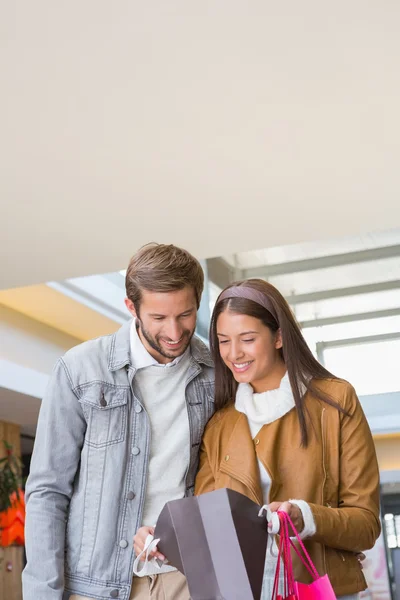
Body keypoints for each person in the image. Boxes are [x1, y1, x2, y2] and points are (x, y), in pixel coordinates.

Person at [22, 243, 214, 600]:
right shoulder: (80, 370)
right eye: (158, 318)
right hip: (98, 584)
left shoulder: (216, 375)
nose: (174, 332)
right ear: (131, 307)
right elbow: (48, 492)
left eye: (185, 315)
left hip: (187, 578)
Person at [195, 279, 380, 600]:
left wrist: (304, 516)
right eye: (224, 341)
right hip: (242, 591)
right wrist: (164, 538)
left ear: (279, 335)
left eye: (248, 339)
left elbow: (365, 525)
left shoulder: (334, 401)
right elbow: (207, 522)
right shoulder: (219, 425)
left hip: (321, 588)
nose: (234, 353)